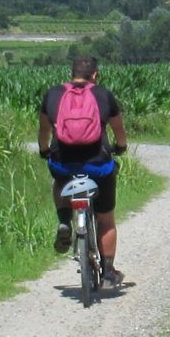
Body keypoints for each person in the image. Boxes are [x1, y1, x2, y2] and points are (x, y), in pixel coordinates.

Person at [37, 54, 130, 287]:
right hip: (98, 165)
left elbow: (44, 130)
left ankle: (64, 220)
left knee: (58, 181)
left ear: (72, 73)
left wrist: (44, 150)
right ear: (95, 75)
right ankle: (108, 272)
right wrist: (120, 147)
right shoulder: (103, 95)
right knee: (106, 218)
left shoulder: (54, 94)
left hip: (63, 164)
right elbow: (119, 130)